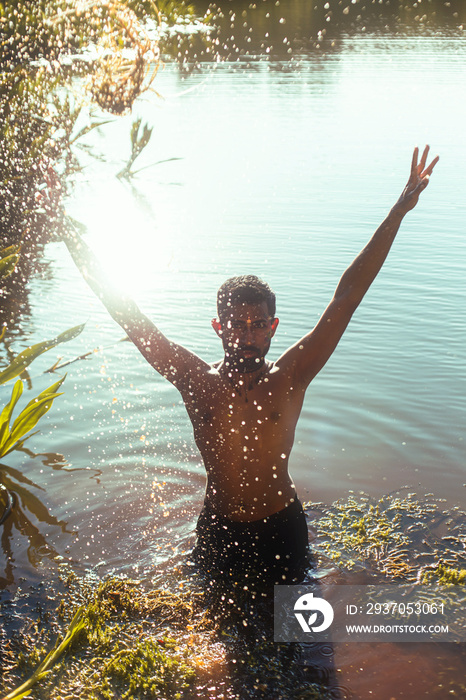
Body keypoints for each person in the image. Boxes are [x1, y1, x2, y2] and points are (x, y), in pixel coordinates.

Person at [62, 146, 438, 585]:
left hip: (282, 528)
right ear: (218, 327)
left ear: (273, 326)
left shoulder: (292, 375)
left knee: (297, 641)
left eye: (258, 324)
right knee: (210, 639)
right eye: (236, 324)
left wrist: (399, 209)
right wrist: (68, 232)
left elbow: (347, 296)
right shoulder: (194, 380)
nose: (247, 334)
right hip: (219, 530)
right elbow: (125, 311)